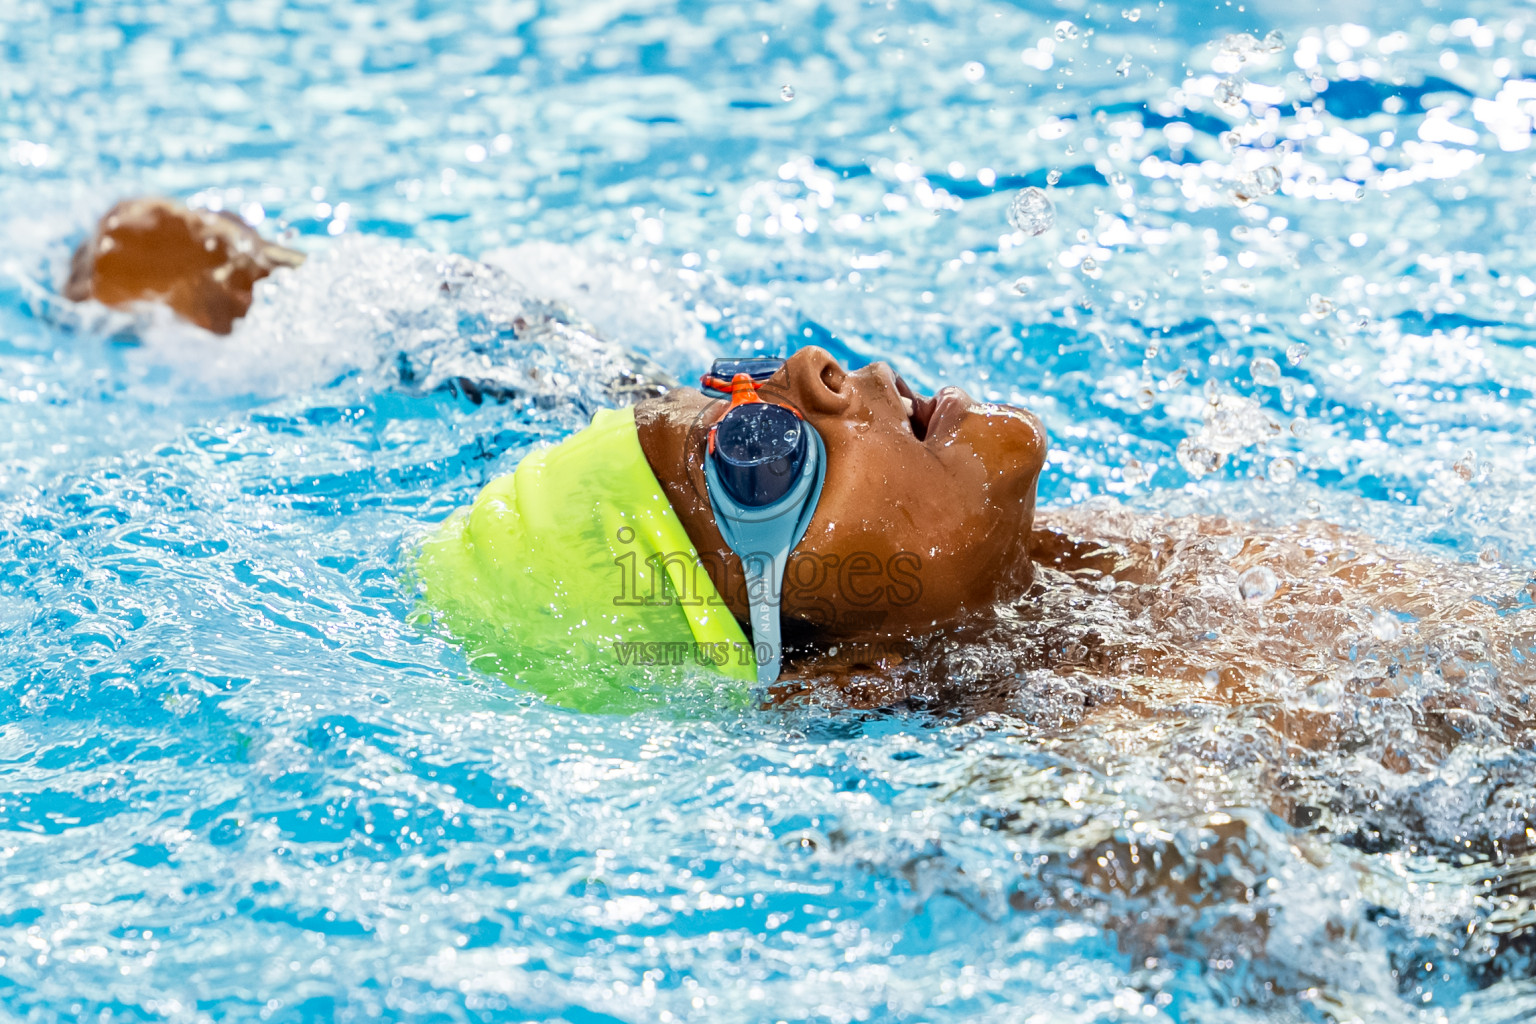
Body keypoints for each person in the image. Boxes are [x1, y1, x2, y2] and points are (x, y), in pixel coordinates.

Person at [62, 198, 1536, 743]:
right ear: (841, 676)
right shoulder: (1144, 763)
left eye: (749, 394)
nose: (816, 374)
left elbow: (473, 335)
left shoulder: (991, 570)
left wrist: (213, 272)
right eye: (762, 448)